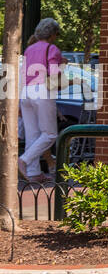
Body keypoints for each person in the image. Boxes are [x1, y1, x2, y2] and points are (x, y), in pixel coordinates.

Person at [19, 17, 63, 184]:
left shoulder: (29, 49)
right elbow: (53, 74)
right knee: (50, 134)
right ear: (52, 34)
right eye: (56, 34)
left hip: (27, 92)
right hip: (42, 90)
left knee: (33, 135)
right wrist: (62, 64)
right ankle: (24, 160)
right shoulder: (52, 49)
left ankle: (33, 173)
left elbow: (25, 73)